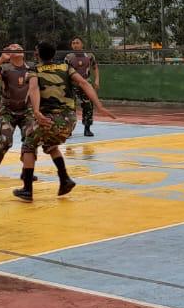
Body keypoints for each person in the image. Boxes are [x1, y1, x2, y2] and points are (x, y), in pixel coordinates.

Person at [16, 40, 115, 202]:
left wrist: (36, 111)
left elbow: (33, 89)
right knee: (50, 144)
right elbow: (84, 82)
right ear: (54, 54)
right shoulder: (66, 67)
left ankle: (27, 190)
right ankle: (65, 180)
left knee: (28, 145)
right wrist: (99, 106)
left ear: (37, 54)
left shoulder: (34, 70)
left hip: (49, 118)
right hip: (70, 119)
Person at [0, 44, 38, 185]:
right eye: (12, 47)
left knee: (31, 139)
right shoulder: (4, 69)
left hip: (27, 110)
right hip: (8, 111)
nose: (15, 48)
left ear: (23, 52)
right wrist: (1, 59)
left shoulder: (32, 68)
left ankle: (27, 170)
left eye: (18, 46)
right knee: (5, 140)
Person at [64, 37, 100, 137]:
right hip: (72, 85)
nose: (75, 45)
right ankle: (69, 129)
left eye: (77, 43)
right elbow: (65, 71)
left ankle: (87, 129)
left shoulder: (89, 56)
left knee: (88, 106)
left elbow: (95, 67)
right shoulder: (68, 57)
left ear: (82, 44)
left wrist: (97, 80)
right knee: (70, 107)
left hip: (86, 85)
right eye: (73, 43)